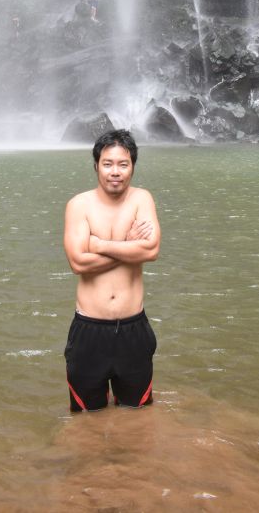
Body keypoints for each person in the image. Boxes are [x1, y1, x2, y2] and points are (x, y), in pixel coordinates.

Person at [63, 129, 160, 411]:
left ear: (132, 167)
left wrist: (99, 244)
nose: (114, 172)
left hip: (134, 329)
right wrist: (127, 246)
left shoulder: (142, 199)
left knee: (138, 415)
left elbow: (151, 251)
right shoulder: (79, 205)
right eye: (107, 164)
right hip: (89, 330)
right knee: (85, 418)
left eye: (123, 164)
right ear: (96, 166)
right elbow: (78, 263)